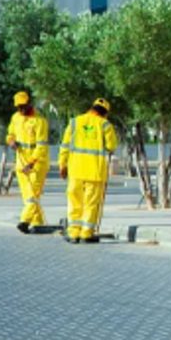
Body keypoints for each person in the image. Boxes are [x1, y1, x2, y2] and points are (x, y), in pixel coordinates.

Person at [58, 98, 117, 244]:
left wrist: (62, 165)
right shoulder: (105, 125)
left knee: (74, 201)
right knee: (91, 203)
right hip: (95, 172)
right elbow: (111, 146)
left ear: (92, 108)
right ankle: (86, 233)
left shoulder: (74, 122)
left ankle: (73, 233)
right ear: (105, 113)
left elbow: (64, 146)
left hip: (75, 170)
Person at [6, 91, 50, 234]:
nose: (22, 109)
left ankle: (24, 221)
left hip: (37, 165)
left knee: (32, 196)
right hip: (20, 163)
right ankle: (38, 222)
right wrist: (11, 141)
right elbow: (10, 134)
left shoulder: (40, 121)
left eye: (24, 106)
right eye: (19, 107)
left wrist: (31, 163)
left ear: (29, 103)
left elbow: (41, 146)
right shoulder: (16, 118)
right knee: (27, 196)